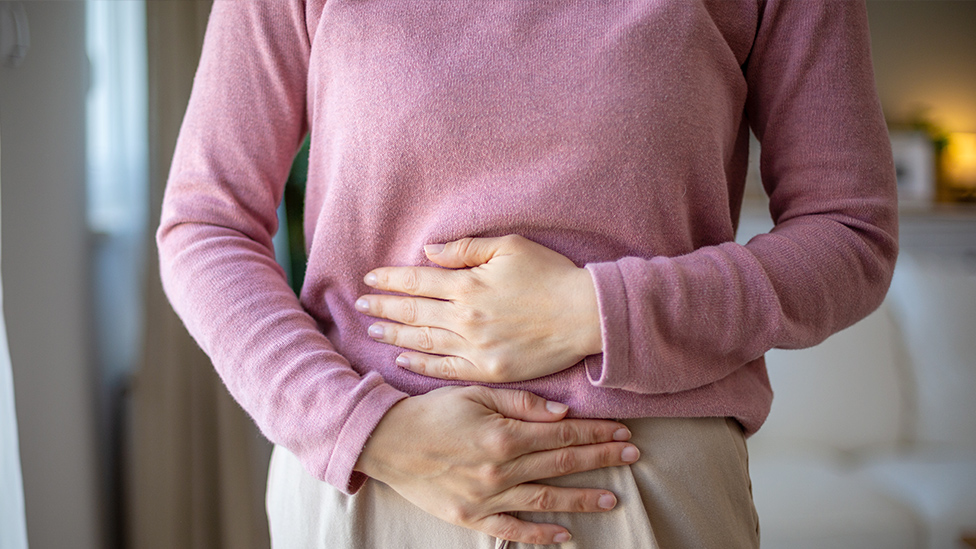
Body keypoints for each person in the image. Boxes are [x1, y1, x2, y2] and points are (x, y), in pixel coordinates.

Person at [157, 0, 898, 547]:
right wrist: (359, 428)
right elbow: (205, 225)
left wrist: (600, 311)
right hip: (377, 487)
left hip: (645, 490)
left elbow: (851, 232)